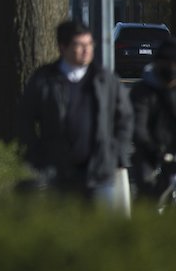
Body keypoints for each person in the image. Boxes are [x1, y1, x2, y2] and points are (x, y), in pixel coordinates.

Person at [17, 19, 133, 208]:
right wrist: (36, 154)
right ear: (63, 48)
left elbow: (125, 118)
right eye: (79, 45)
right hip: (58, 172)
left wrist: (117, 153)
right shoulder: (45, 80)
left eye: (89, 44)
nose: (86, 50)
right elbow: (25, 119)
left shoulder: (104, 79)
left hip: (99, 172)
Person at [130, 37, 176, 197]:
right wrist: (155, 150)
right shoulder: (142, 92)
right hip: (150, 154)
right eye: (167, 62)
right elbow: (138, 127)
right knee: (149, 192)